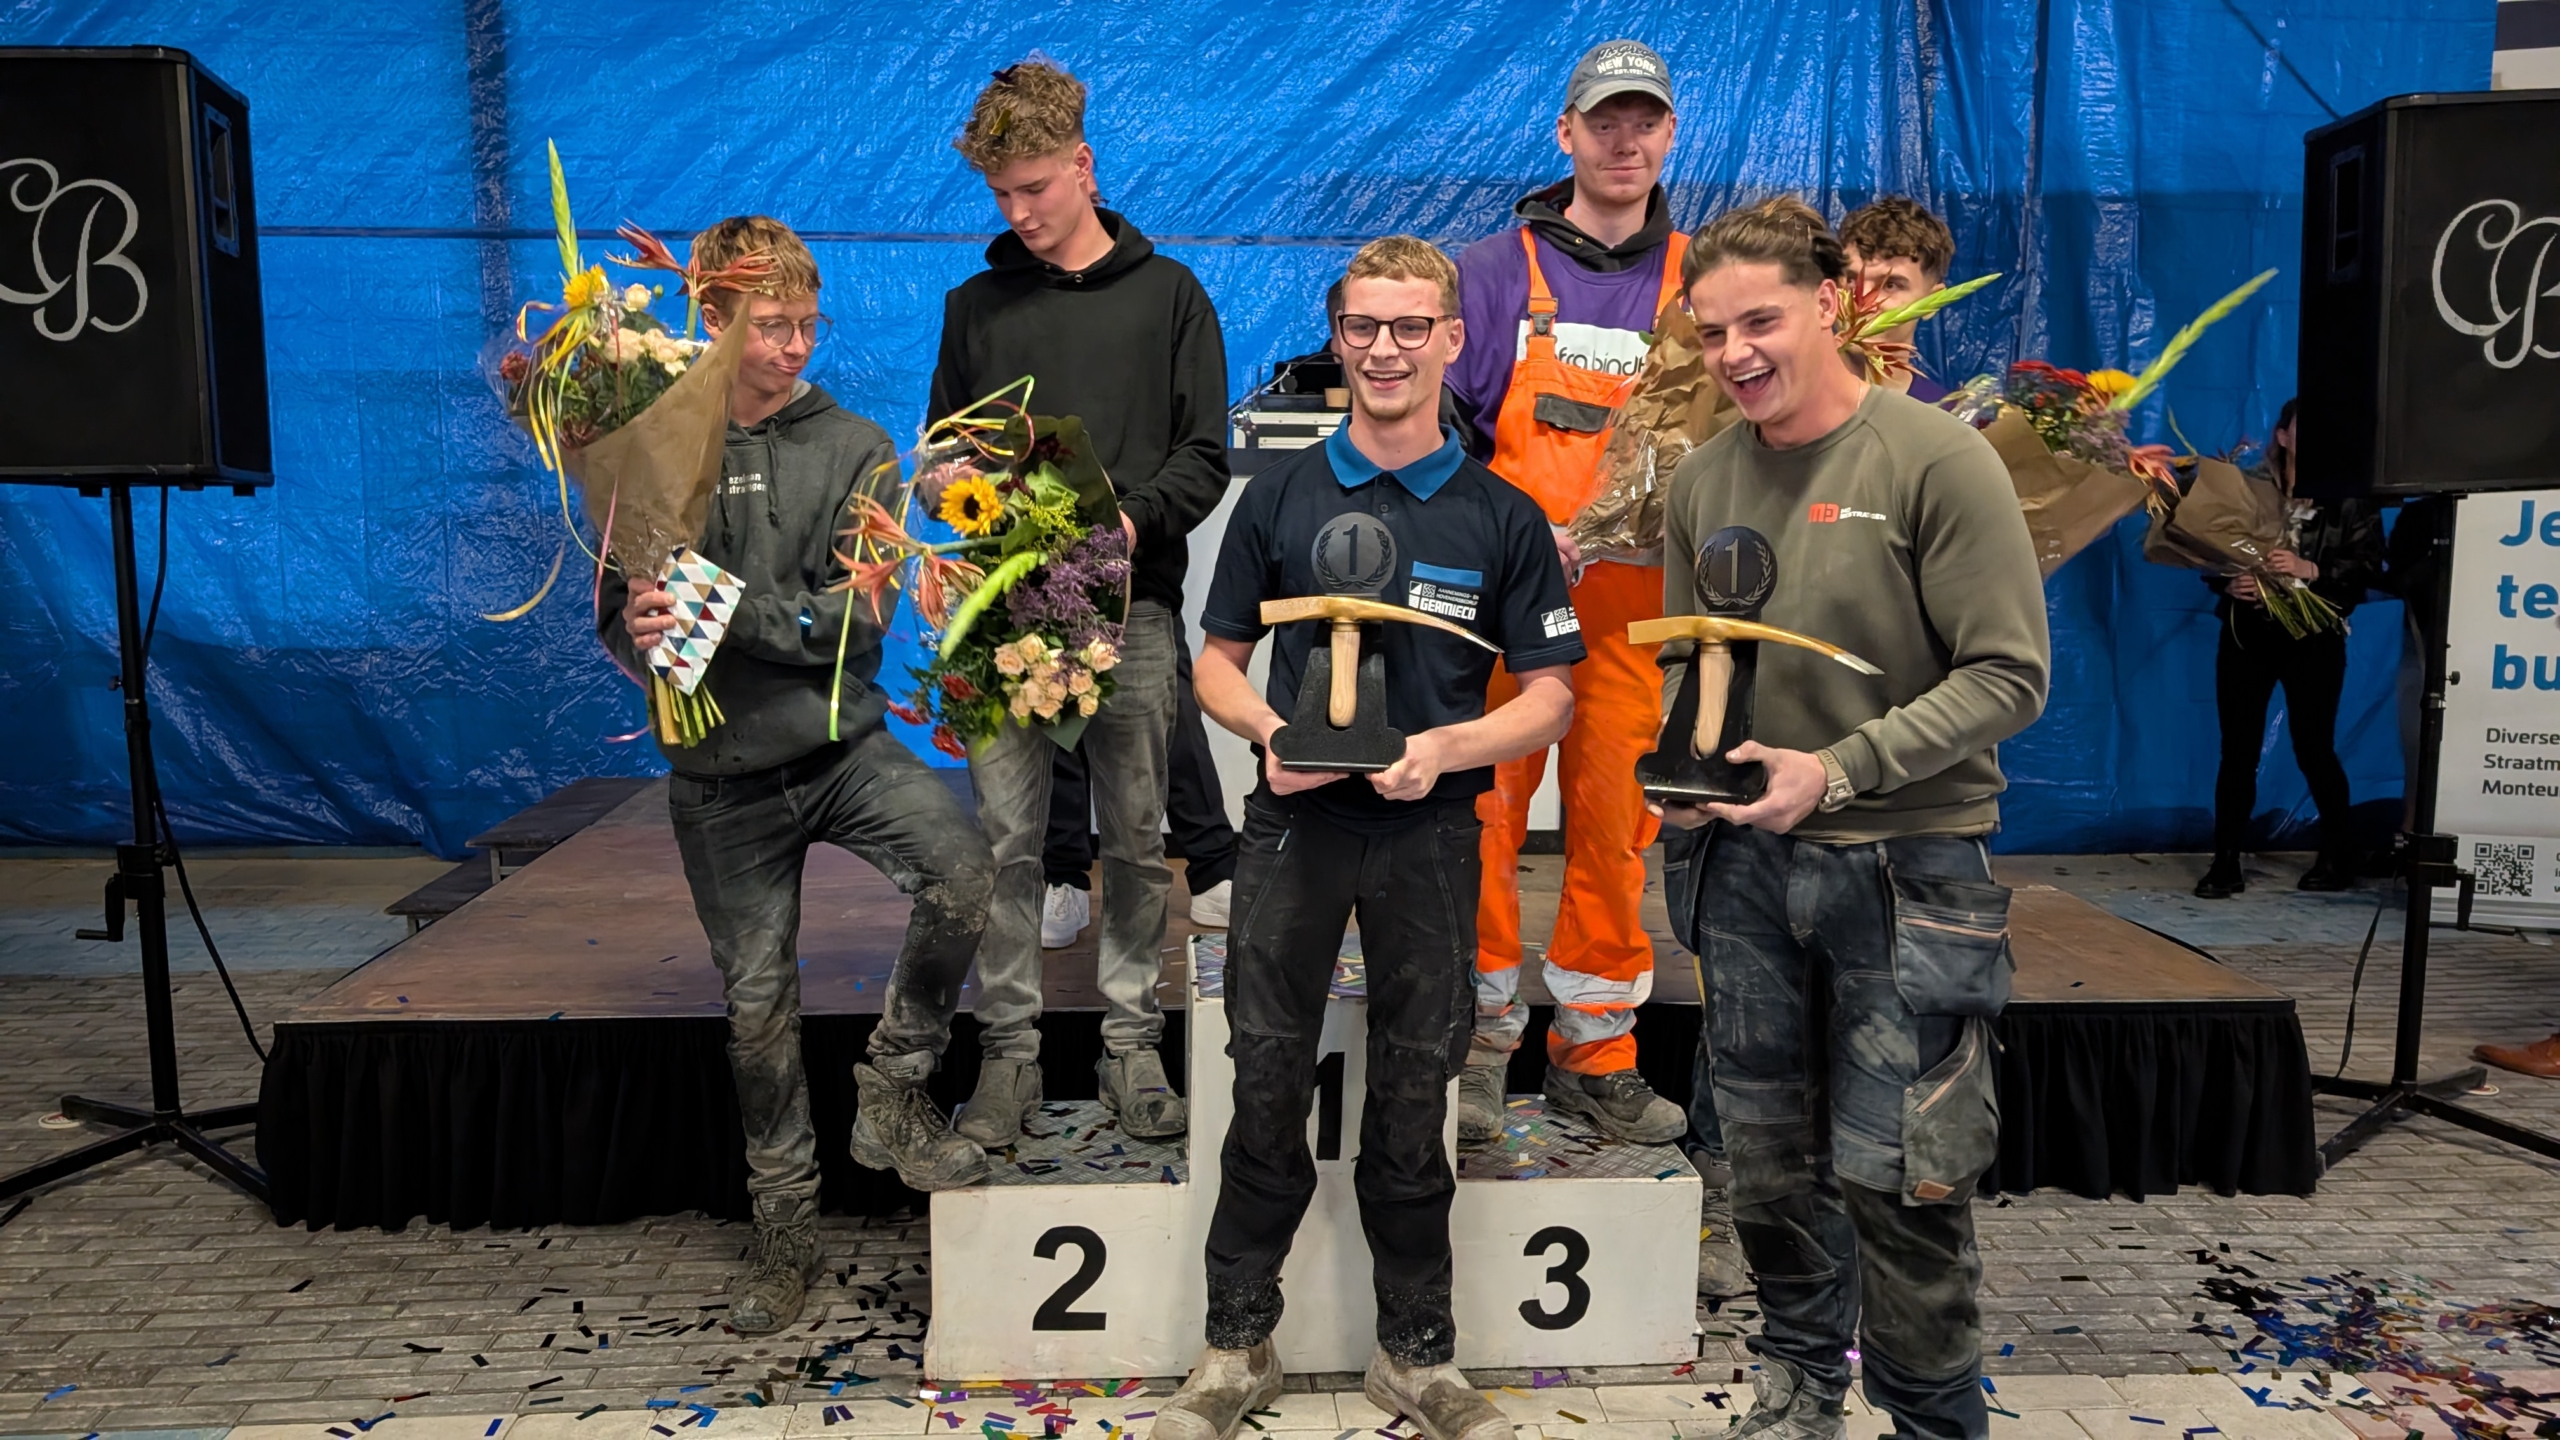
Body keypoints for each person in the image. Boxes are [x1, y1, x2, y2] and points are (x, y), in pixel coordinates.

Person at [1158, 237, 1581, 1440]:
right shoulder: (1280, 497)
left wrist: (1446, 750)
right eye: (1363, 328)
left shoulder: (1501, 512)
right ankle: (1236, 1346)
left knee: (1415, 1088)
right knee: (1265, 1074)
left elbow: (1550, 692)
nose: (1385, 350)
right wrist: (1268, 733)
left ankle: (1417, 1356)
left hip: (1430, 834)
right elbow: (1217, 663)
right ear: (1336, 338)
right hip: (1293, 825)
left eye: (1410, 328)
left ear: (1453, 339)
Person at [1654, 197, 2050, 1440]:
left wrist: (1836, 770)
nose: (1736, 354)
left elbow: (2007, 676)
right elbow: (1694, 672)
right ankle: (1797, 1385)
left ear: (1832, 303)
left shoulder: (1937, 458)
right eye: (1713, 333)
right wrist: (1683, 780)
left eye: (1760, 320)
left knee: (1906, 1181)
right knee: (1765, 1165)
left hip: (1907, 872)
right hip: (1746, 873)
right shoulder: (1704, 476)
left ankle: (1935, 1419)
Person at [602, 216, 996, 1336]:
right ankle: (785, 1230)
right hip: (720, 780)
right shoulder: (647, 442)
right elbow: (617, 622)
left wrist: (722, 615)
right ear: (710, 321)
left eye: (806, 325)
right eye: (770, 327)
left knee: (964, 868)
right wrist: (641, 630)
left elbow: (856, 623)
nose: (794, 347)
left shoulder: (858, 446)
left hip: (842, 751)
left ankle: (894, 1085)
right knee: (758, 1011)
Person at [932, 59, 1232, 1146]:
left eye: (1035, 190)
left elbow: (1208, 452)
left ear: (1084, 166)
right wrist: (944, 489)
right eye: (1001, 195)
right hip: (1004, 609)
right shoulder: (974, 307)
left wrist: (1129, 524)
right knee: (1008, 843)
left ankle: (1130, 1052)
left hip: (1132, 609)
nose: (1018, 214)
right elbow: (948, 452)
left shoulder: (1171, 296)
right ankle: (1006, 1058)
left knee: (1138, 840)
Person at [1446, 37, 1689, 1150]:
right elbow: (1439, 434)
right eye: (1604, 120)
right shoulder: (1492, 274)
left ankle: (1596, 1050)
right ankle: (1473, 1048)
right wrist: (1506, 529)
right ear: (1565, 135)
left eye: (1643, 121)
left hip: (1640, 613)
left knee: (1614, 828)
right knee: (1480, 818)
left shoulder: (1700, 280)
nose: (1623, 140)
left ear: (1670, 135)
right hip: (1507, 607)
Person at [2194, 398, 2384, 899]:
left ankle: (2337, 853)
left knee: (2312, 747)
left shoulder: (2350, 495)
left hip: (2313, 638)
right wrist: (2227, 582)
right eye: (2304, 428)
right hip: (2247, 633)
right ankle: (2225, 861)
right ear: (2281, 435)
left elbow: (2369, 566)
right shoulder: (2246, 488)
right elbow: (2212, 551)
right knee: (2236, 751)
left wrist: (2312, 570)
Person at [1039, 643, 1241, 947]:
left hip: (1144, 601)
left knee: (1174, 710)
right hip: (1051, 602)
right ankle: (1064, 879)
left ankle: (1213, 872)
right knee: (1061, 705)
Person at [1838, 197, 1957, 403]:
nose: (1862, 302)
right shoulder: (1782, 397)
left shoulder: (1943, 419)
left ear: (1932, 302)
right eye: (1851, 280)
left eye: (1890, 285)